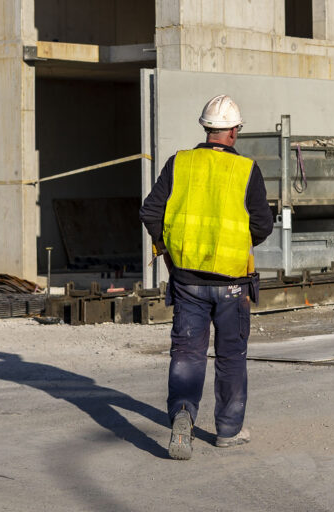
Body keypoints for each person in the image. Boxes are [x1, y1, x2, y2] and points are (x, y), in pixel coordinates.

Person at [139, 94, 274, 460]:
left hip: (187, 281)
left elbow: (151, 213)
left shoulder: (179, 163)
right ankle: (228, 431)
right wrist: (236, 244)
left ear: (205, 128)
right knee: (231, 356)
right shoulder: (246, 170)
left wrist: (170, 250)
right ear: (233, 132)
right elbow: (263, 225)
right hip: (231, 283)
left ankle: (183, 413)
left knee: (187, 354)